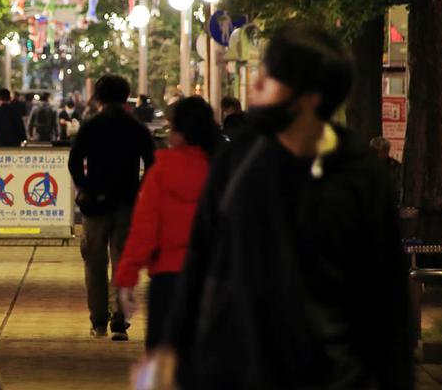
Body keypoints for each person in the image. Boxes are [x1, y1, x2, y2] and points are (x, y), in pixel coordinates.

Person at [161, 24, 412, 389]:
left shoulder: (359, 174)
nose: (256, 85)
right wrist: (171, 348)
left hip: (332, 375)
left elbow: (387, 296)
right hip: (236, 369)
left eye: (270, 77)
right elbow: (201, 256)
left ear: (308, 98)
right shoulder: (239, 159)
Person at [114, 96, 220, 350]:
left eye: (172, 128)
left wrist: (127, 278)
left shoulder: (162, 172)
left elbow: (144, 231)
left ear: (181, 133)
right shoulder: (225, 170)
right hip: (215, 279)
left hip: (168, 279)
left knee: (165, 361)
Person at [69, 75, 156, 340]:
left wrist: (85, 186)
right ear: (125, 96)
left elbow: (74, 162)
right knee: (122, 260)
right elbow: (152, 163)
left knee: (94, 262)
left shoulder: (91, 126)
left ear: (98, 97)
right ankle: (119, 320)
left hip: (95, 204)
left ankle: (98, 321)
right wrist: (139, 188)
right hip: (127, 202)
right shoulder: (137, 127)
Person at [371, 136, 404, 205]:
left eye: (382, 151)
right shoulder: (366, 166)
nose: (378, 155)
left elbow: (398, 186)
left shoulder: (395, 166)